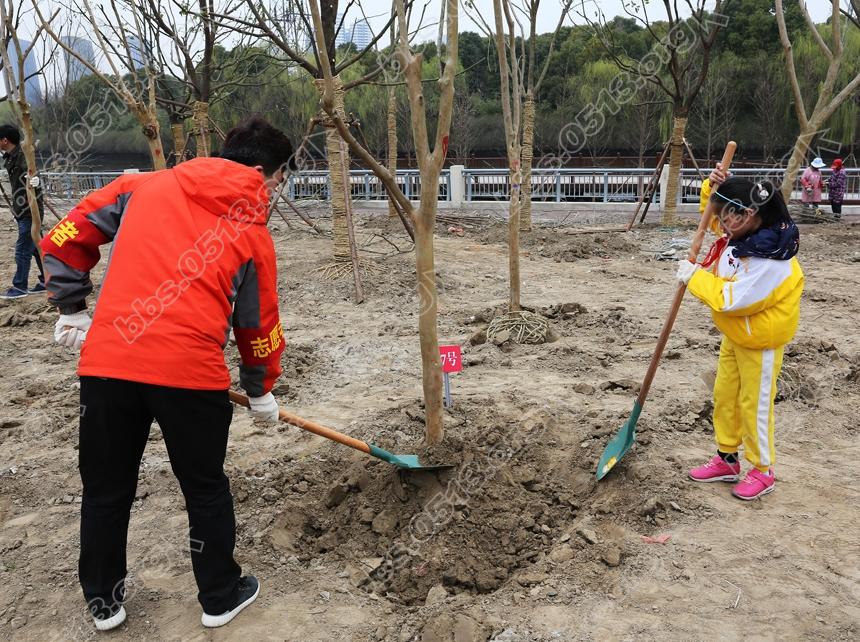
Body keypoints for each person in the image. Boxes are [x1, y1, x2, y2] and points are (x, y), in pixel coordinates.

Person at [40, 116, 295, 631]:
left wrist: (71, 307)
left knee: (106, 488)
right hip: (190, 378)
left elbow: (63, 236)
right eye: (282, 177)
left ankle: (103, 602)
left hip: (108, 367)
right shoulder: (251, 230)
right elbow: (257, 319)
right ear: (266, 172)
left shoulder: (140, 186)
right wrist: (261, 387)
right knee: (204, 488)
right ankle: (220, 596)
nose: (279, 186)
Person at [676, 166, 804, 501]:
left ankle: (762, 470)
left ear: (748, 214)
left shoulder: (772, 259)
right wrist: (711, 187)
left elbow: (732, 299)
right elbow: (716, 216)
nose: (720, 223)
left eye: (727, 215)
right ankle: (727, 458)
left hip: (760, 339)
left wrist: (694, 277)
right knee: (725, 395)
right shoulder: (745, 231)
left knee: (754, 405)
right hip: (736, 335)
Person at [0, 124, 46, 299]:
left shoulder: (23, 155)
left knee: (22, 249)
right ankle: (47, 280)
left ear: (5, 140)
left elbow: (34, 174)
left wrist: (37, 182)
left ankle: (19, 287)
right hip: (22, 209)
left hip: (30, 210)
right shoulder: (11, 156)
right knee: (36, 247)